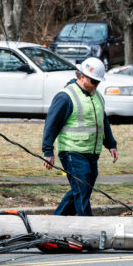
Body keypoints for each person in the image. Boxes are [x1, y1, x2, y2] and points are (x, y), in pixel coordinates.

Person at [42, 57, 119, 216]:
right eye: (93, 81)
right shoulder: (65, 97)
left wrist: (111, 144)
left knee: (81, 190)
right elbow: (51, 124)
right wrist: (48, 152)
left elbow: (102, 122)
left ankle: (55, 225)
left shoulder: (97, 96)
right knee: (82, 191)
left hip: (91, 152)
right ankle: (89, 230)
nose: (96, 85)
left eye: (98, 82)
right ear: (81, 76)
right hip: (72, 151)